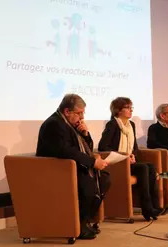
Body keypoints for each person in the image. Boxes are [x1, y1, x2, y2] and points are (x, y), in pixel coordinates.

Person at [36, 94, 111, 240]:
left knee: (105, 179)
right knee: (88, 183)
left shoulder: (69, 124)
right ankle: (79, 224)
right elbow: (65, 150)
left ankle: (84, 220)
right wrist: (92, 163)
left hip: (68, 167)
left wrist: (85, 134)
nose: (82, 117)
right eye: (79, 113)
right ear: (66, 111)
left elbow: (84, 148)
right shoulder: (54, 124)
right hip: (55, 170)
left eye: (83, 113)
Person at [98, 97, 162, 221]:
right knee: (143, 167)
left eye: (131, 107)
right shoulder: (112, 124)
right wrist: (123, 155)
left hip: (128, 161)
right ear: (118, 110)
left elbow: (134, 148)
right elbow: (103, 146)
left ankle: (155, 206)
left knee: (151, 166)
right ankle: (147, 209)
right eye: (127, 107)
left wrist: (133, 155)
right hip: (116, 163)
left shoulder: (131, 125)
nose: (131, 110)